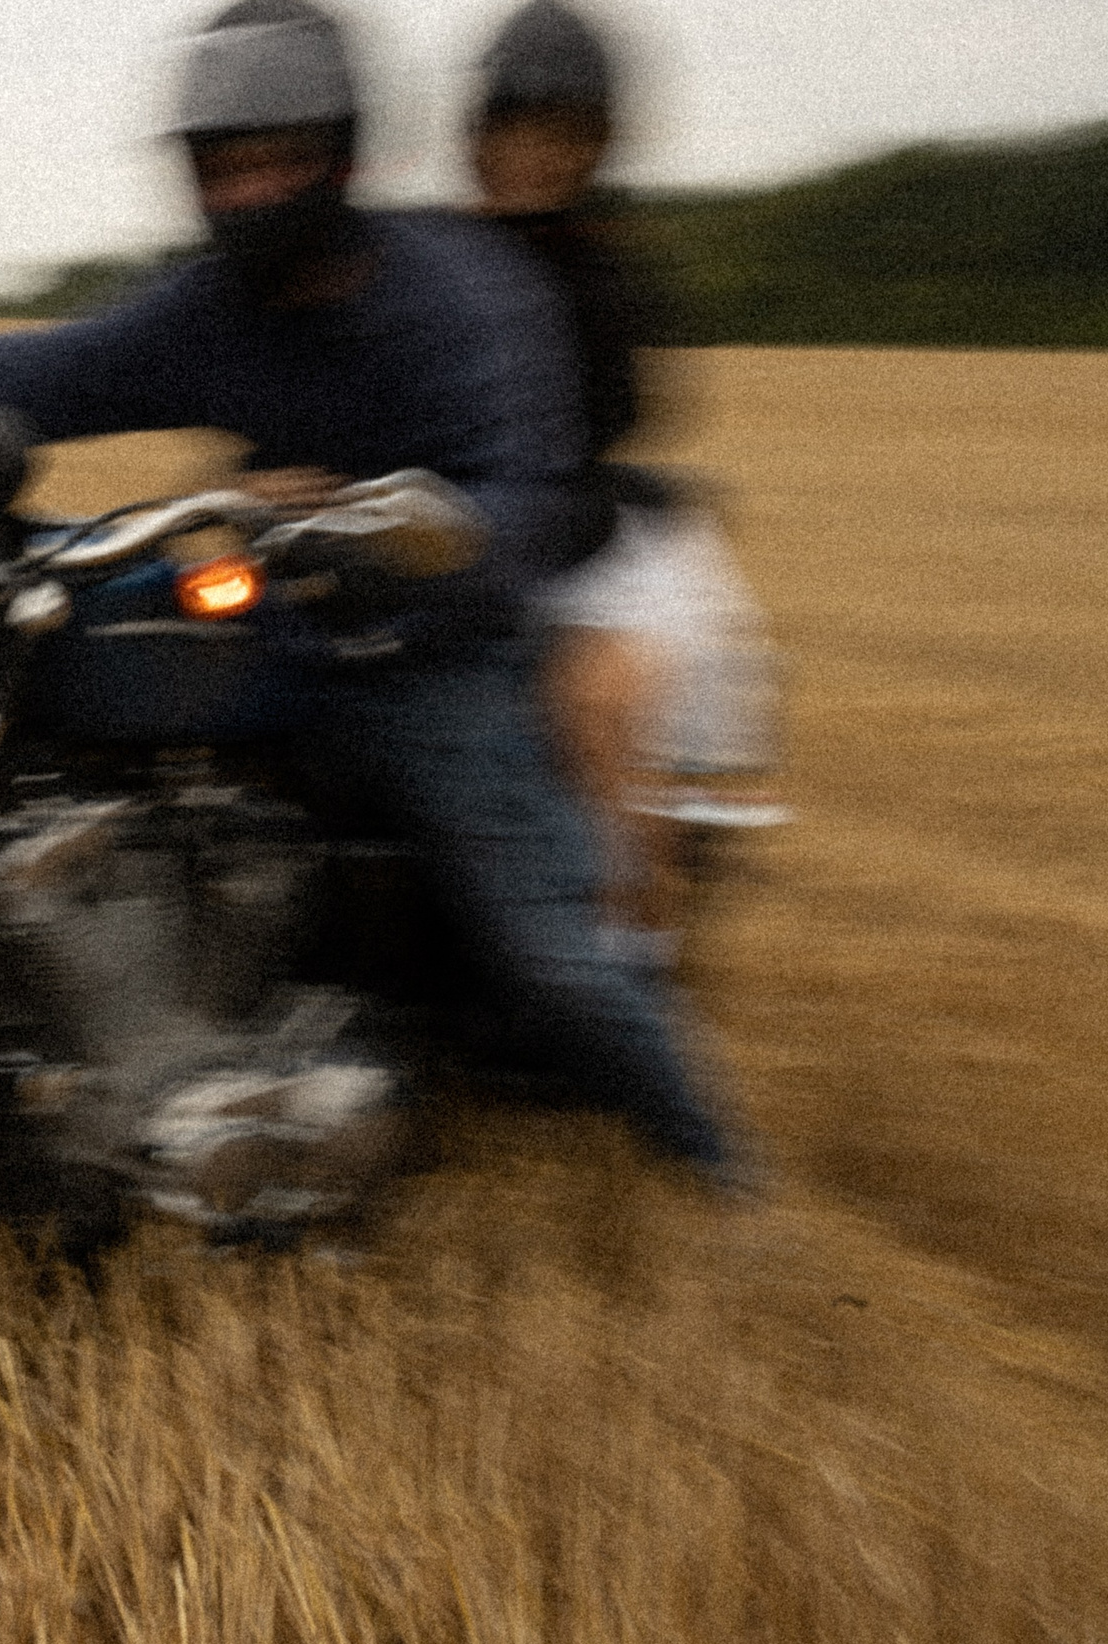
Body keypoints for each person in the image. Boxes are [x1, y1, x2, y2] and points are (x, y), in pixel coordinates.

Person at [0, 0, 757, 1192]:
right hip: (277, 627)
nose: (249, 189)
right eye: (224, 166)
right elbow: (42, 369)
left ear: (339, 157)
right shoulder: (208, 310)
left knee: (558, 961)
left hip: (425, 652)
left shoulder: (461, 293)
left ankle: (718, 1175)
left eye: (275, 160)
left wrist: (411, 531)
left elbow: (528, 496)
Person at [470, 0, 790, 954]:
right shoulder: (433, 259)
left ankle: (631, 942)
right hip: (473, 525)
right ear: (479, 133)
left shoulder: (605, 274)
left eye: (562, 134)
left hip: (564, 529)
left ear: (598, 145)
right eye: (518, 128)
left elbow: (612, 416)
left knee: (602, 702)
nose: (536, 154)